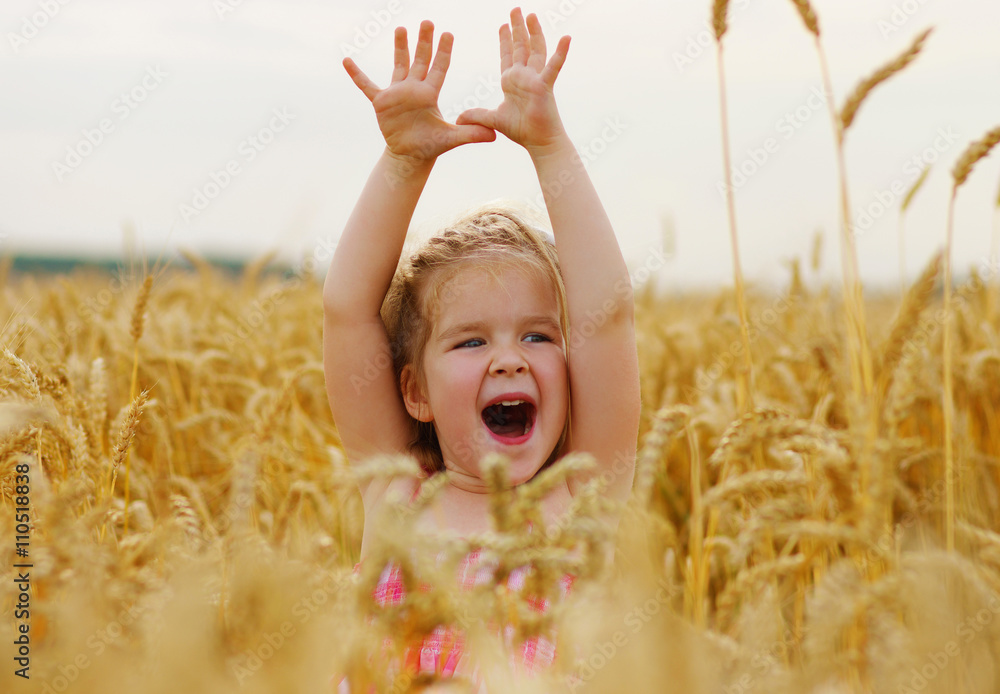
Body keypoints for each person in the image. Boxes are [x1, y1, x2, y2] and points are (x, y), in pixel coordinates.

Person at [324, 6, 641, 688]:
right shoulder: (398, 497)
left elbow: (608, 318)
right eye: (470, 341)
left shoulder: (581, 501)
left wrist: (549, 147)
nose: (508, 358)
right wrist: (403, 161)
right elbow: (348, 312)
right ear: (414, 391)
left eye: (537, 334)